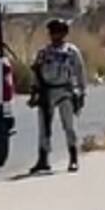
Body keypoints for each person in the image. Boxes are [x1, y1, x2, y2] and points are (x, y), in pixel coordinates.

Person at [29, 18, 87, 173]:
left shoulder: (71, 51)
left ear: (64, 33)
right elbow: (36, 72)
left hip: (65, 91)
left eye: (59, 32)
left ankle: (73, 158)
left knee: (69, 126)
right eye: (53, 32)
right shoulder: (43, 52)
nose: (56, 35)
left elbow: (80, 72)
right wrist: (34, 91)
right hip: (47, 92)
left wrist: (81, 92)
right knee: (44, 127)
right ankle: (43, 159)